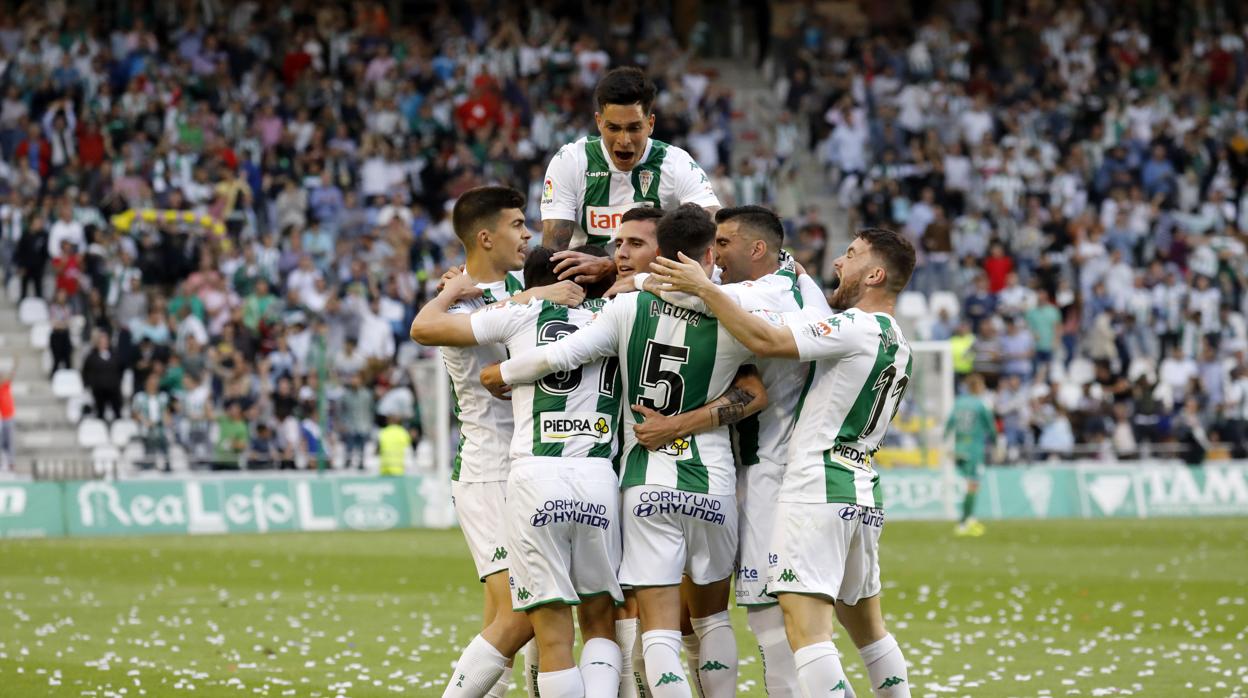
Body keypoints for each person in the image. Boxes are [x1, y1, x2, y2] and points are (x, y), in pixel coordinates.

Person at [483, 205, 764, 698]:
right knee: (711, 617)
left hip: (645, 480)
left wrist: (502, 373)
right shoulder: (736, 313)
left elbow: (566, 352)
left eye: (634, 245)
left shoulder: (626, 308)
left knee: (653, 626)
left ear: (662, 253)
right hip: (712, 478)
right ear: (706, 254)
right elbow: (757, 388)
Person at [646, 227, 918, 698]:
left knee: (805, 632)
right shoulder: (899, 342)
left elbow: (768, 340)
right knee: (870, 630)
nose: (838, 262)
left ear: (875, 274)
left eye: (850, 255)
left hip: (817, 485)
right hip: (862, 489)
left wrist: (706, 288)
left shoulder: (853, 326)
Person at [413, 245, 630, 697]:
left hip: (535, 478)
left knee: (549, 634)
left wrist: (457, 292)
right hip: (597, 479)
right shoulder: (620, 315)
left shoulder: (521, 313)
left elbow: (425, 328)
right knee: (599, 623)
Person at [629, 205, 825, 698]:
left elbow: (691, 297)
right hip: (785, 469)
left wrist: (630, 281)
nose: (714, 256)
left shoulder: (754, 295)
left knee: (767, 620)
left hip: (768, 471)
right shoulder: (801, 283)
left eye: (724, 244)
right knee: (796, 618)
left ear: (757, 249)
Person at [408, 186, 582, 698]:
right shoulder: (455, 303)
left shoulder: (519, 286)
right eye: (517, 225)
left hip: (537, 462)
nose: (528, 233)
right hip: (488, 471)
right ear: (485, 237)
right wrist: (450, 290)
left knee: (523, 615)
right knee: (525, 611)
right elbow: (425, 327)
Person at [541, 67, 720, 284]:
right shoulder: (571, 161)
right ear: (599, 122)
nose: (624, 140)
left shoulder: (676, 163)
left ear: (650, 124)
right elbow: (552, 256)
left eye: (634, 128)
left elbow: (713, 231)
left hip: (652, 288)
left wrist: (612, 266)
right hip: (585, 290)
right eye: (613, 128)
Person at [945, 374, 998, 537]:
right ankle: (965, 522)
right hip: (973, 447)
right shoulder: (980, 405)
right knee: (973, 484)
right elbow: (991, 427)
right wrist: (997, 443)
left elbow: (950, 424)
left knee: (969, 484)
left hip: (959, 446)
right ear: (977, 387)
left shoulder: (959, 402)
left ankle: (969, 519)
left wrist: (945, 444)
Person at [81, 331, 124, 421]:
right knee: (100, 413)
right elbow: (85, 371)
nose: (103, 344)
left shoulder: (115, 355)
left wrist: (117, 381)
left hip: (113, 388)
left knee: (117, 412)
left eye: (105, 341)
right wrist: (90, 384)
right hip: (98, 389)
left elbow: (121, 369)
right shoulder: (91, 356)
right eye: (101, 342)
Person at [0, 357, 16, 471]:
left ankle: (10, 463)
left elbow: (10, 376)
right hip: (1, 419)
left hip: (8, 417)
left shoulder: (5, 387)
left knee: (9, 441)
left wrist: (15, 364)